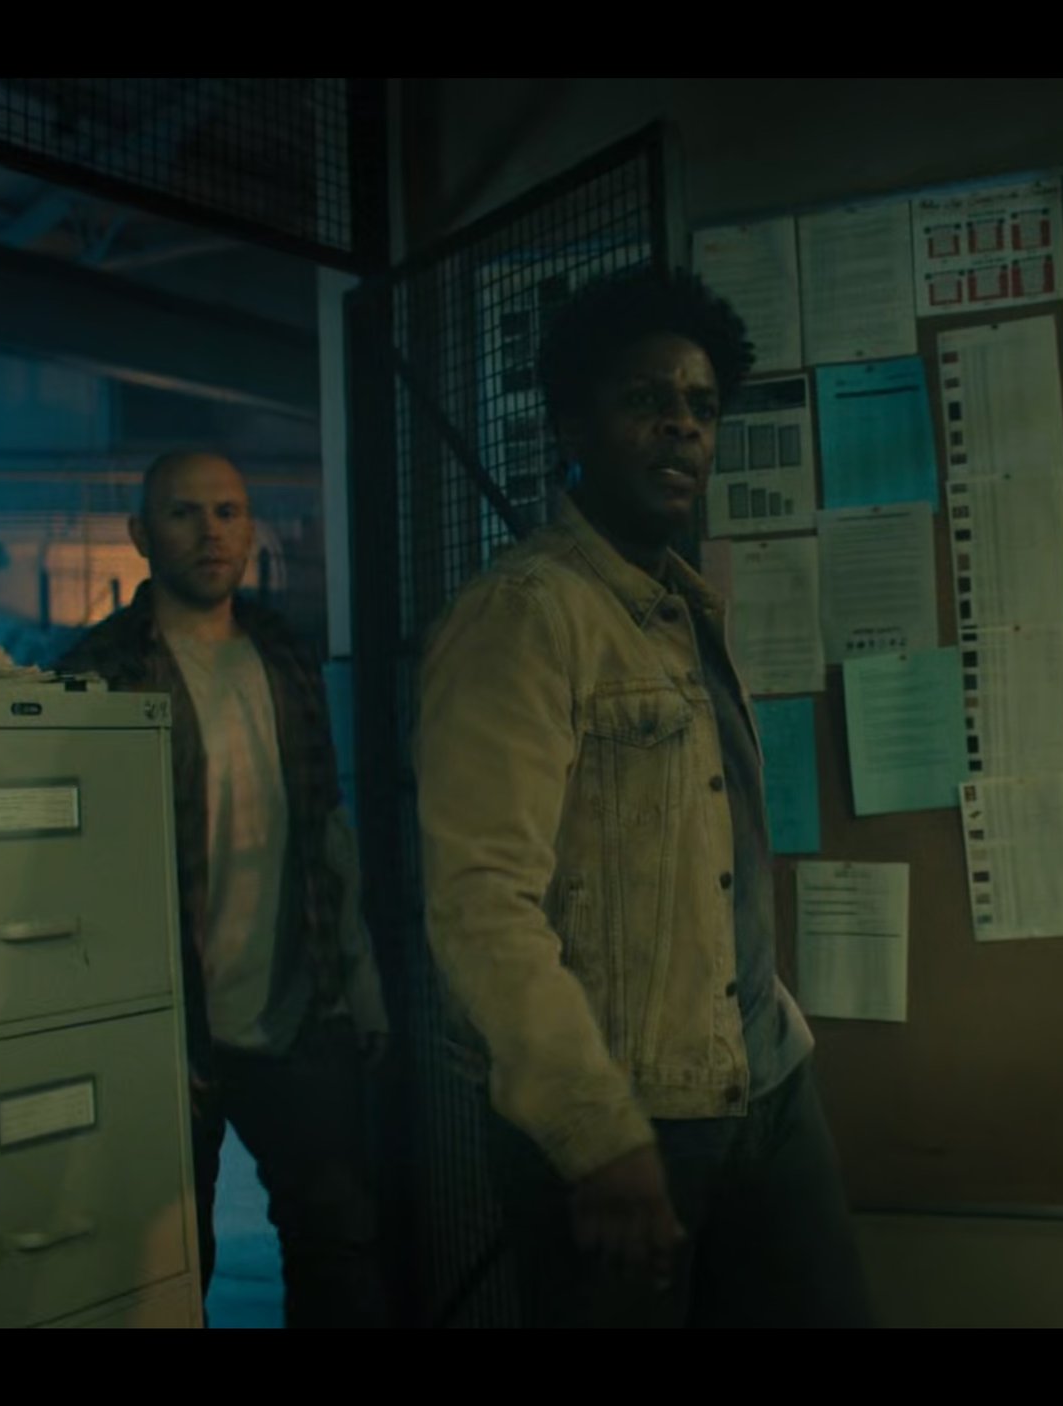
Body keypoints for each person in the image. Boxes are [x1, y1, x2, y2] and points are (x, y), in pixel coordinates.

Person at [415, 268, 874, 1329]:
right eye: (644, 400)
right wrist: (595, 1127)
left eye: (700, 407)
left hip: (762, 1078)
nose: (679, 427)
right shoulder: (523, 616)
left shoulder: (683, 606)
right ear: (573, 422)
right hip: (630, 1111)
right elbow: (481, 900)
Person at [60, 449, 389, 1329]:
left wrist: (359, 984)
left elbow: (326, 824)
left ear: (251, 530)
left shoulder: (283, 650)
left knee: (339, 1247)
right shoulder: (100, 670)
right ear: (140, 534)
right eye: (184, 513)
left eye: (229, 512)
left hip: (298, 1010)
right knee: (169, 1269)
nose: (211, 531)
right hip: (172, 1030)